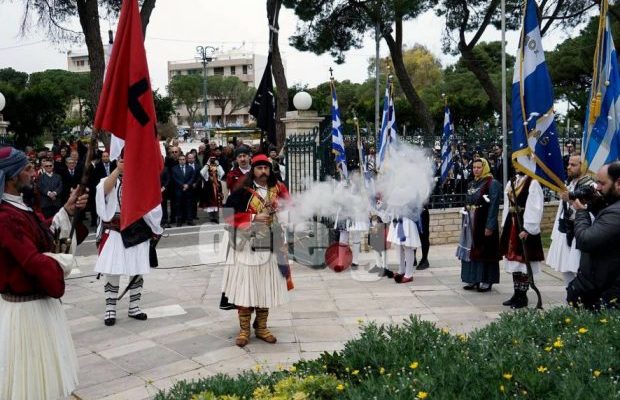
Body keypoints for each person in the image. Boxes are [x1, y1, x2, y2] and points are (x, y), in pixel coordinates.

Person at [0, 146, 88, 400]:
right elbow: (33, 260)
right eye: (27, 169)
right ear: (12, 177)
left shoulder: (19, 207)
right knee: (31, 382)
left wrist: (67, 209)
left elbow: (42, 234)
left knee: (43, 378)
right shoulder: (6, 217)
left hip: (37, 309)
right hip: (26, 314)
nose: (33, 173)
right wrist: (61, 263)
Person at [222, 154, 293, 347]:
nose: (263, 171)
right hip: (247, 247)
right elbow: (227, 216)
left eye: (266, 168)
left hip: (271, 245)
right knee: (246, 288)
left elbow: (290, 211)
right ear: (253, 171)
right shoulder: (241, 191)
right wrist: (253, 218)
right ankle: (244, 330)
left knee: (265, 287)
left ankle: (261, 327)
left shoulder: (279, 189)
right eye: (259, 168)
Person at [94, 156, 163, 326]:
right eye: (121, 159)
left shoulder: (142, 181)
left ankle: (134, 307)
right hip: (115, 230)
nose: (125, 162)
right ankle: (110, 308)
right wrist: (118, 170)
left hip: (137, 230)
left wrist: (155, 228)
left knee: (137, 269)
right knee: (112, 270)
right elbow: (102, 191)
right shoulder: (109, 180)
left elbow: (153, 205)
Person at [567, 161, 620, 310]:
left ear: (618, 183)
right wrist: (594, 204)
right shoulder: (612, 205)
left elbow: (585, 240)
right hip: (600, 286)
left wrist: (581, 212)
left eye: (602, 183)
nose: (597, 187)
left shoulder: (616, 213)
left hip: (606, 293)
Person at [547, 155, 596, 287]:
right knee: (565, 267)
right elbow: (562, 209)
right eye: (568, 164)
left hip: (579, 230)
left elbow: (590, 211)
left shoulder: (590, 185)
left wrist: (570, 200)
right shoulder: (570, 183)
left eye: (573, 165)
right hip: (565, 228)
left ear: (583, 166)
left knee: (577, 268)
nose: (568, 167)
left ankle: (579, 294)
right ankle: (570, 293)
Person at [499, 172, 545, 308]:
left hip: (524, 225)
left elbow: (535, 208)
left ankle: (523, 296)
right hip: (512, 223)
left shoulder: (533, 182)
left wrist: (528, 228)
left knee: (523, 261)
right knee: (514, 262)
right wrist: (505, 224)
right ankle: (516, 293)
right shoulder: (513, 180)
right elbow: (507, 204)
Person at [457, 158, 502, 292]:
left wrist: (490, 225)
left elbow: (494, 206)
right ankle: (472, 278)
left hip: (483, 221)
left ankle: (486, 280)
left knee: (485, 250)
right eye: (474, 167)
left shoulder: (492, 183)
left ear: (485, 168)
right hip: (471, 221)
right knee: (471, 249)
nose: (476, 170)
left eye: (479, 167)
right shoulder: (472, 183)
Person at [171, 154, 196, 226]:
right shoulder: (174, 168)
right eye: (180, 159)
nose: (182, 161)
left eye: (183, 159)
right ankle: (179, 221)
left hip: (188, 190)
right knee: (179, 205)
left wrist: (187, 184)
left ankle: (190, 220)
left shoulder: (190, 168)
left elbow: (192, 177)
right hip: (179, 190)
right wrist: (182, 185)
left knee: (189, 205)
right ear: (178, 160)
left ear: (185, 160)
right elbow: (174, 178)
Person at [200, 155, 225, 223]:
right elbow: (202, 172)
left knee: (217, 200)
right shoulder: (207, 166)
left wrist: (218, 165)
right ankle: (211, 217)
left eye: (214, 159)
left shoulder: (217, 166)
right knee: (209, 201)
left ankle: (216, 217)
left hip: (217, 185)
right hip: (208, 186)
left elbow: (222, 173)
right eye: (211, 159)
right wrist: (207, 164)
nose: (213, 160)